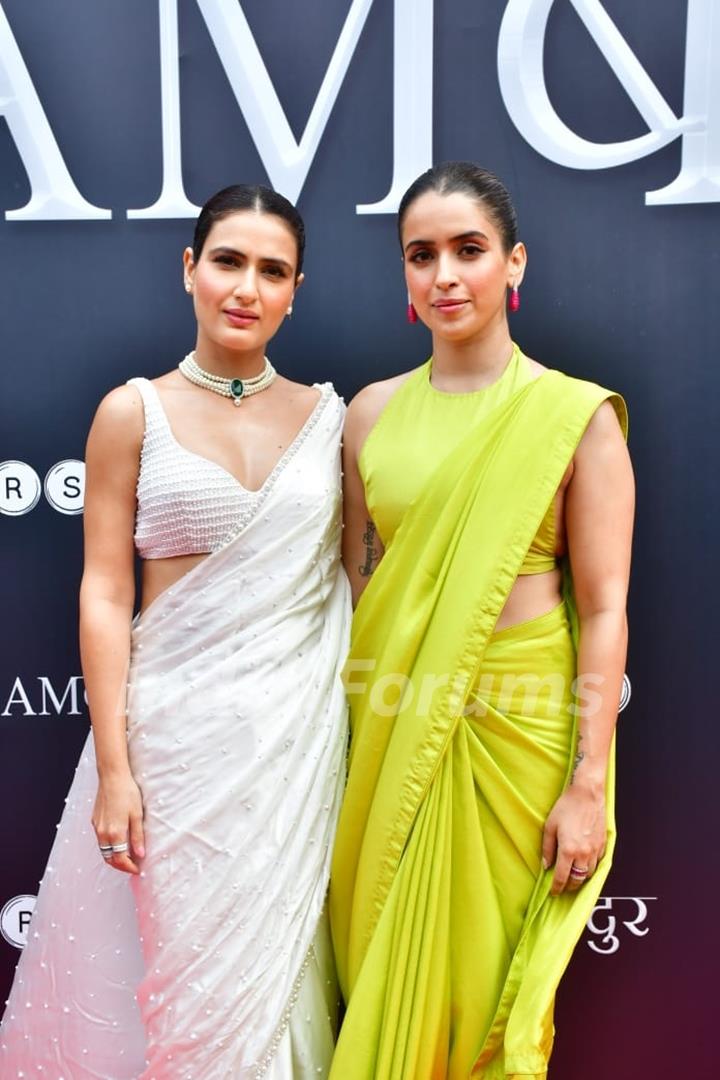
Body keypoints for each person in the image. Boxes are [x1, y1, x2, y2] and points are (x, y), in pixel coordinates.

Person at [1, 185, 350, 1078]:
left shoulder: (331, 423)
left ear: (296, 289)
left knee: (286, 977)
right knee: (188, 983)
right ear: (190, 269)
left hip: (295, 752)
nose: (247, 287)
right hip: (173, 753)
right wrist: (115, 769)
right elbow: (106, 594)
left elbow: (356, 585)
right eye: (229, 261)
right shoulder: (132, 413)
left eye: (272, 270)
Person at [329, 162, 634, 1079]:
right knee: (377, 963)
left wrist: (589, 782)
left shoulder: (575, 418)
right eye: (421, 256)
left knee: (487, 998)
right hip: (389, 722)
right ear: (405, 277)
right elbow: (359, 587)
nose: (445, 276)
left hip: (521, 736)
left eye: (469, 250)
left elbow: (607, 606)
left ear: (516, 264)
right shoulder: (370, 415)